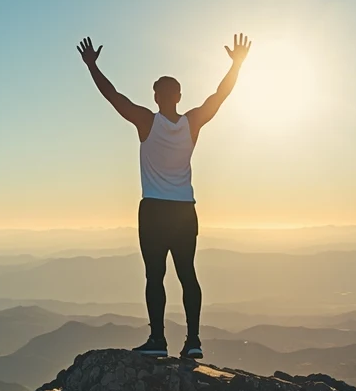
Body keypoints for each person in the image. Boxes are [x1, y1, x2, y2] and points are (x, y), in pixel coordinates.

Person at [77, 34, 251, 359]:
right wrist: (237, 64)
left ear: (157, 97)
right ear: (179, 96)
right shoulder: (192, 122)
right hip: (185, 211)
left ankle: (157, 341)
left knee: (154, 275)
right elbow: (221, 95)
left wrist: (92, 66)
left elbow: (113, 96)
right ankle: (194, 341)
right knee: (188, 273)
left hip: (154, 210)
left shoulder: (146, 121)